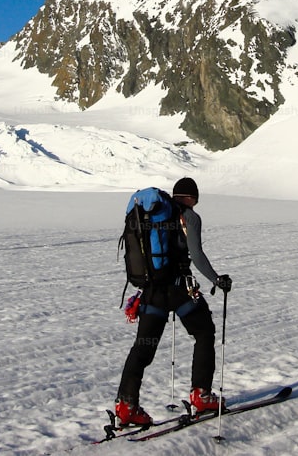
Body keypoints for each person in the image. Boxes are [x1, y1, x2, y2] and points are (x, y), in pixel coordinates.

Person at [114, 177, 233, 426]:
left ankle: (126, 406)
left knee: (143, 348)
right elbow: (197, 255)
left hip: (151, 291)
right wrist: (216, 279)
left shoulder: (153, 215)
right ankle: (201, 395)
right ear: (192, 197)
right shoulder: (188, 216)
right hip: (179, 290)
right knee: (204, 331)